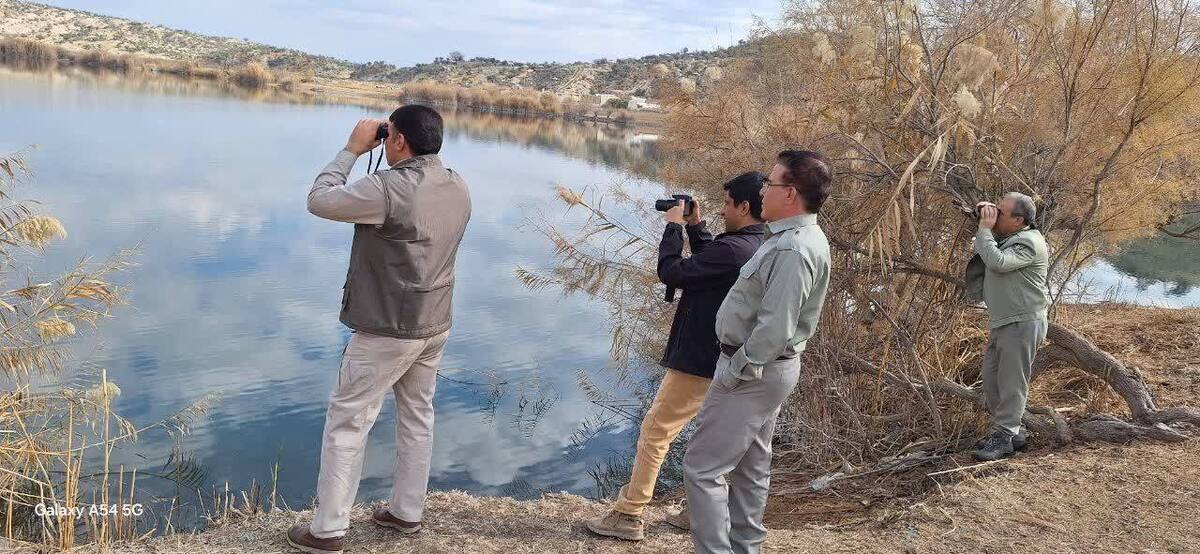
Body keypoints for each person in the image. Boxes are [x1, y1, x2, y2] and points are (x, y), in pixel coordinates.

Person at [287, 105, 471, 554]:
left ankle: (327, 531)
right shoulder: (457, 185)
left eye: (389, 136)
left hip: (387, 329)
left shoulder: (386, 188)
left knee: (348, 422)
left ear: (399, 140)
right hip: (434, 322)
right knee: (417, 415)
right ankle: (406, 512)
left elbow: (320, 199)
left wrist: (351, 150)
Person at [585, 172, 768, 541]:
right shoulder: (759, 243)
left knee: (657, 430)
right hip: (727, 359)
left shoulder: (734, 250)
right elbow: (711, 265)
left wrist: (672, 230)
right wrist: (696, 227)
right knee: (716, 439)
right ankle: (697, 511)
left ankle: (629, 514)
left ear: (744, 207)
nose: (723, 208)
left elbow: (672, 271)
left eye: (728, 203)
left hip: (700, 359)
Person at [683, 150, 833, 554]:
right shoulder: (791, 239)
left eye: (770, 183)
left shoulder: (792, 249)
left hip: (753, 371)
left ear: (791, 193)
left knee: (702, 469)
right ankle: (746, 547)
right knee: (751, 467)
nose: (763, 190)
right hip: (769, 372)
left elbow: (775, 328)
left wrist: (735, 371)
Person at [965, 192, 1049, 461]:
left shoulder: (1028, 242)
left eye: (1001, 212)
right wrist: (982, 216)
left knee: (1012, 383)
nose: (995, 215)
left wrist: (984, 229)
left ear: (1019, 220)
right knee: (992, 381)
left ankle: (1004, 436)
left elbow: (999, 262)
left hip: (1022, 322)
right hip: (1006, 322)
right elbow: (992, 246)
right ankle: (1015, 433)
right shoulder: (1012, 236)